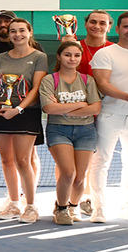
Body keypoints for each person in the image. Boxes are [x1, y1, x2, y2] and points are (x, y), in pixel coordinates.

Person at [0, 17, 49, 222]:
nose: (17, 34)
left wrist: (18, 109)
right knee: (6, 160)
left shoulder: (39, 57)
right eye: (13, 31)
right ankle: (13, 203)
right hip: (0, 113)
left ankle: (30, 206)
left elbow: (37, 88)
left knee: (22, 160)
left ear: (30, 33)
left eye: (22, 30)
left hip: (26, 114)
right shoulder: (1, 57)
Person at [87, 11, 128, 223]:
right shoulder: (105, 53)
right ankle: (98, 208)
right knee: (101, 161)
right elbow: (103, 84)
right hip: (109, 115)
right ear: (117, 29)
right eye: (127, 27)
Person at [39, 41, 101, 225]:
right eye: (67, 55)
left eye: (76, 55)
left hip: (86, 130)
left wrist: (63, 108)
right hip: (59, 130)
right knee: (67, 172)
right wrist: (81, 105)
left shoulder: (87, 80)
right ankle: (61, 209)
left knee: (80, 177)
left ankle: (73, 206)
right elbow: (49, 108)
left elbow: (95, 108)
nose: (72, 59)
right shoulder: (49, 80)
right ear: (59, 57)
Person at [76, 10, 113, 78]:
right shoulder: (75, 47)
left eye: (102, 23)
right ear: (86, 24)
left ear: (109, 27)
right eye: (93, 22)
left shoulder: (115, 49)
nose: (97, 26)